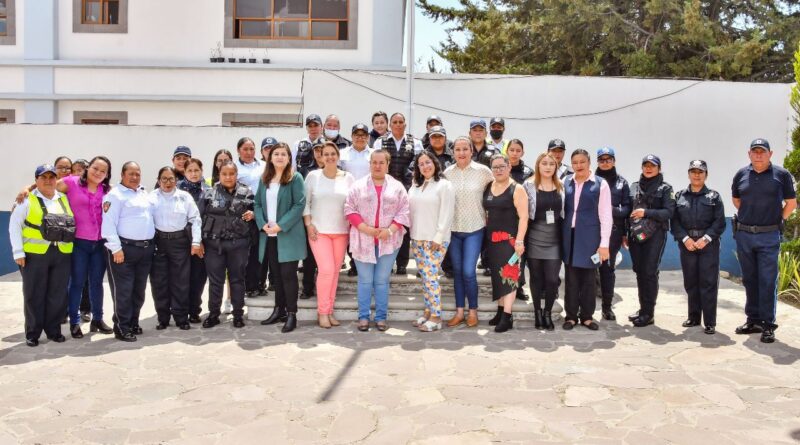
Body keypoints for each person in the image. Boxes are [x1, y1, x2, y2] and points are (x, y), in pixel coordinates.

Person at [732, 138, 797, 343]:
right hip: (744, 235)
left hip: (769, 235)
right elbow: (736, 200)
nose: (758, 155)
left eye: (762, 151)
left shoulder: (781, 175)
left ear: (770, 154)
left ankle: (768, 325)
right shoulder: (741, 174)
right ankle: (753, 320)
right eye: (755, 151)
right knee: (749, 279)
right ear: (749, 154)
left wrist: (778, 219)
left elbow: (791, 203)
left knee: (768, 281)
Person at [344, 150, 410, 332]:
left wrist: (389, 230)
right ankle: (363, 317)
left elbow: (404, 211)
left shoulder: (397, 187)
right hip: (362, 238)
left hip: (389, 240)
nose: (378, 166)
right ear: (370, 164)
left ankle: (381, 317)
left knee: (381, 280)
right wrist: (366, 229)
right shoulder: (358, 186)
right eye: (374, 162)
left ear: (388, 165)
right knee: (365, 280)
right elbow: (349, 209)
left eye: (382, 162)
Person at [9, 164, 75, 346]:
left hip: (61, 254)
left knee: (57, 294)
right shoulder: (26, 199)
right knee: (34, 294)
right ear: (36, 180)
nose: (48, 181)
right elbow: (14, 225)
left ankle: (54, 330)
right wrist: (18, 252)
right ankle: (33, 333)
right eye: (43, 177)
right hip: (35, 254)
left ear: (56, 179)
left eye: (51, 177)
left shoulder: (63, 198)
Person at [102, 161, 156, 342]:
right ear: (122, 175)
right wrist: (116, 249)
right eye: (131, 174)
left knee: (139, 290)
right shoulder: (114, 195)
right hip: (124, 250)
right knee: (123, 291)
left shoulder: (143, 193)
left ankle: (133, 322)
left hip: (145, 249)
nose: (134, 177)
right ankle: (122, 326)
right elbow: (108, 225)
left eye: (137, 174)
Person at [256, 143, 307, 333]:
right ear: (270, 157)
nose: (279, 157)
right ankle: (279, 310)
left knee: (288, 275)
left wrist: (281, 225)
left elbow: (299, 204)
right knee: (276, 276)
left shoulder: (295, 178)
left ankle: (292, 314)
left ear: (288, 158)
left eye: (283, 154)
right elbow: (257, 204)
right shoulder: (265, 179)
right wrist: (262, 223)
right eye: (276, 153)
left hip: (288, 235)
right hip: (269, 234)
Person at [443, 136, 493, 328]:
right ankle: (459, 312)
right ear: (453, 152)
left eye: (465, 149)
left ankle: (473, 311)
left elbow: (498, 187)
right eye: (458, 149)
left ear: (472, 151)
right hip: (454, 229)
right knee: (457, 272)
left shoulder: (483, 172)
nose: (461, 153)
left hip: (475, 228)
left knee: (468, 271)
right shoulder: (447, 173)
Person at [303, 141, 355, 328]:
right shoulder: (313, 176)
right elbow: (305, 202)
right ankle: (322, 312)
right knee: (325, 270)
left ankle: (330, 310)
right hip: (319, 231)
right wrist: (308, 224)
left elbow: (353, 203)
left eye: (333, 153)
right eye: (326, 154)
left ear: (338, 156)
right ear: (321, 157)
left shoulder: (348, 178)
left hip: (341, 231)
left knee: (334, 272)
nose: (330, 157)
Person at [672, 160, 726, 335]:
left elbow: (720, 222)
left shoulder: (714, 196)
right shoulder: (679, 196)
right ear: (688, 174)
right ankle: (694, 317)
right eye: (693, 171)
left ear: (706, 175)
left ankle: (709, 322)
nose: (697, 175)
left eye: (700, 172)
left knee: (708, 283)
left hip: (708, 245)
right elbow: (675, 222)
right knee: (691, 281)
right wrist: (685, 239)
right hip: (687, 245)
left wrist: (706, 238)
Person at [62, 156, 114, 337]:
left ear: (107, 174)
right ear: (88, 168)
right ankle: (74, 322)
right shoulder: (71, 182)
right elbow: (47, 187)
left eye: (103, 171)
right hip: (79, 243)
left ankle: (97, 319)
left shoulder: (107, 190)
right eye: (95, 168)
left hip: (99, 244)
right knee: (76, 283)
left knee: (97, 283)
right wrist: (26, 190)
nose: (98, 173)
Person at [561, 149, 612, 331]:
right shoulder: (565, 181)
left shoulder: (600, 184)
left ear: (589, 163)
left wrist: (604, 244)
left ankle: (587, 317)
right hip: (569, 236)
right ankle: (571, 316)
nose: (578, 165)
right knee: (571, 278)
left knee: (589, 279)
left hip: (590, 237)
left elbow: (606, 215)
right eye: (575, 162)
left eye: (582, 161)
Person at [199, 161, 254, 329]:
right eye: (224, 174)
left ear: (237, 175)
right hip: (214, 245)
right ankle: (213, 314)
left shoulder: (247, 192)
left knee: (237, 280)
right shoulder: (209, 193)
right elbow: (198, 219)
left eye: (232, 174)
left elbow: (258, 212)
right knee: (215, 281)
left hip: (238, 245)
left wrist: (253, 214)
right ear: (219, 174)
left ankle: (238, 315)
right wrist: (198, 241)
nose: (228, 177)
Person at [149, 166, 202, 330]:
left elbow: (195, 219)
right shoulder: (151, 198)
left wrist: (196, 242)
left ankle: (181, 317)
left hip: (180, 243)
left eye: (171, 178)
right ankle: (163, 318)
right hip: (158, 242)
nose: (168, 182)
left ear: (176, 180)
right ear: (158, 181)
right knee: (159, 282)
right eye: (164, 179)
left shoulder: (184, 197)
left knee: (181, 281)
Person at [627, 155, 676, 327]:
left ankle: (649, 313)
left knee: (649, 271)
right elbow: (629, 211)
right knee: (639, 271)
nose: (648, 168)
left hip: (655, 235)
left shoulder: (665, 188)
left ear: (659, 168)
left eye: (652, 166)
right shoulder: (634, 186)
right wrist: (626, 233)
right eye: (646, 165)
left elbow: (669, 212)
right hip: (636, 235)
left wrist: (646, 213)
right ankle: (643, 309)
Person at [409, 151, 455, 332]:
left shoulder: (444, 185)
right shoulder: (415, 185)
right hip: (417, 237)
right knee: (425, 278)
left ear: (435, 163)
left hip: (435, 239)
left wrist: (439, 235)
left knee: (430, 277)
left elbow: (447, 212)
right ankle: (428, 312)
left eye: (428, 162)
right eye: (421, 164)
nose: (425, 166)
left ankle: (436, 317)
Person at [483, 154, 528, 333]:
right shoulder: (489, 186)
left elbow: (524, 217)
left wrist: (520, 241)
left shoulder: (517, 189)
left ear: (509, 167)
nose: (499, 170)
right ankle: (501, 311)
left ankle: (507, 317)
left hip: (510, 242)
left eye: (502, 166)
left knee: (509, 277)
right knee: (498, 278)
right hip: (492, 241)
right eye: (495, 167)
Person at [376, 112, 422, 275]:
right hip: (385, 189)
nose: (397, 124)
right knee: (386, 224)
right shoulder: (380, 141)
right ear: (390, 125)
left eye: (400, 122)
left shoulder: (415, 142)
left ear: (405, 124)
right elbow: (377, 163)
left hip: (407, 189)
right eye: (394, 122)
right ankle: (386, 262)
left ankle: (402, 263)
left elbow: (418, 164)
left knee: (403, 226)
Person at [523, 152, 564, 331]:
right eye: (544, 163)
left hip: (554, 239)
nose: (548, 167)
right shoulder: (528, 185)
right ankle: (537, 312)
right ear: (538, 166)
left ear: (556, 167)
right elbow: (523, 213)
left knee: (552, 279)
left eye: (551, 164)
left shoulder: (561, 185)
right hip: (534, 238)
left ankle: (547, 312)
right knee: (536, 278)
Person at [594, 147, 631, 320]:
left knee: (607, 270)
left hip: (613, 234)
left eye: (608, 159)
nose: (605, 163)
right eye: (602, 160)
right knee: (587, 270)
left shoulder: (622, 183)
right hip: (591, 231)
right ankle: (584, 307)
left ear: (614, 161)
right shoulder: (591, 180)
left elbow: (627, 209)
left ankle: (607, 307)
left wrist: (609, 210)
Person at [178, 158, 210, 323]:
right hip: (181, 240)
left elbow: (210, 217)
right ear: (184, 172)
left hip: (201, 242)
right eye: (190, 170)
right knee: (182, 278)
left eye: (196, 170)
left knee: (198, 277)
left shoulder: (209, 191)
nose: (193, 174)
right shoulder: (176, 190)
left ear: (201, 171)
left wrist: (200, 240)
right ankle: (180, 310)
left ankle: (194, 310)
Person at [233, 137, 265, 299]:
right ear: (238, 150)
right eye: (245, 149)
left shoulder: (264, 166)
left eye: (251, 149)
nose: (248, 152)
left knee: (258, 251)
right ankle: (246, 286)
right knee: (244, 251)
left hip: (261, 209)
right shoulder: (234, 167)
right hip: (241, 209)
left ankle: (258, 284)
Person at [506, 139, 533, 300]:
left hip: (522, 219)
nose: (515, 153)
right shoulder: (501, 168)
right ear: (507, 151)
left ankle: (519, 286)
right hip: (504, 217)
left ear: (522, 152)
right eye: (512, 150)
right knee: (505, 254)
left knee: (520, 254)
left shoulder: (528, 173)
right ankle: (506, 285)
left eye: (518, 150)